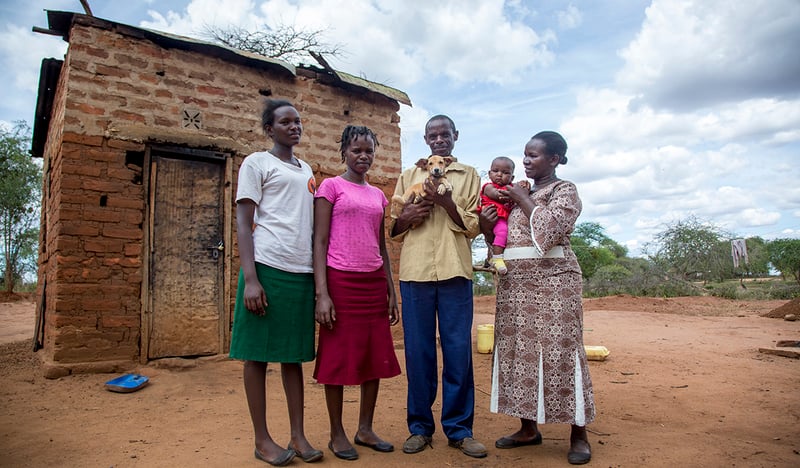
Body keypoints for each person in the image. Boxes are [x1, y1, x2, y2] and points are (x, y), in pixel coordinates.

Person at [479, 131, 595, 465]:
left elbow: (550, 229)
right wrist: (488, 229)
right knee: (519, 352)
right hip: (515, 284)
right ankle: (528, 428)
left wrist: (523, 198)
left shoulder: (564, 190)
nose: (526, 161)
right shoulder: (516, 195)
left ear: (554, 159)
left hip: (554, 282)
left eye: (533, 156)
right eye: (525, 155)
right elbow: (500, 240)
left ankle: (579, 433)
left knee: (563, 351)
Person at [229, 99, 323, 466]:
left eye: (298, 121)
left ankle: (297, 435)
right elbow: (243, 222)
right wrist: (251, 279)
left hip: (299, 272)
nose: (294, 126)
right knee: (255, 354)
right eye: (285, 122)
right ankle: (262, 439)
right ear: (269, 129)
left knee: (292, 356)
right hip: (266, 266)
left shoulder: (306, 169)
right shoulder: (257, 163)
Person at [390, 115, 487, 459]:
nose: (439, 139)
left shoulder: (470, 175)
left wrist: (446, 203)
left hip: (454, 272)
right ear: (427, 140)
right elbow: (394, 226)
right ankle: (420, 428)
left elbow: (474, 225)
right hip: (415, 274)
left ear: (455, 137)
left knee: (458, 352)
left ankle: (460, 430)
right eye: (433, 135)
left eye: (445, 134)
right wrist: (407, 217)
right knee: (418, 354)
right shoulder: (410, 175)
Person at [312, 125, 402, 461]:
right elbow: (319, 242)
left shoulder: (378, 195)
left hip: (373, 283)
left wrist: (391, 292)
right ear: (344, 153)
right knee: (336, 358)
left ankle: (365, 428)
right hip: (340, 282)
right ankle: (337, 434)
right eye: (356, 150)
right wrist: (322, 293)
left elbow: (380, 246)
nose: (363, 156)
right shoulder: (330, 187)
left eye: (368, 151)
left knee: (373, 357)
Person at [477, 156, 529, 275]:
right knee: (502, 232)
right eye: (496, 171)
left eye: (505, 173)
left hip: (504, 216)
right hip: (496, 216)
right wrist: (517, 191)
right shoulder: (489, 187)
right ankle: (497, 258)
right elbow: (498, 195)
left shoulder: (511, 188)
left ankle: (493, 256)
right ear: (490, 174)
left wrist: (523, 186)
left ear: (512, 177)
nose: (499, 175)